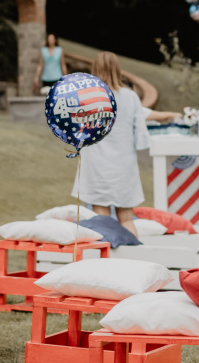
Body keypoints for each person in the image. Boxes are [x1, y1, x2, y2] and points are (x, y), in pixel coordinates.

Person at [72, 52, 179, 237]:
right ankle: (132, 260)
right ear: (117, 70)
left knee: (102, 219)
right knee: (127, 219)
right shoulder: (131, 97)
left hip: (97, 164)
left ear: (95, 69)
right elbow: (140, 134)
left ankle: (106, 261)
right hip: (124, 164)